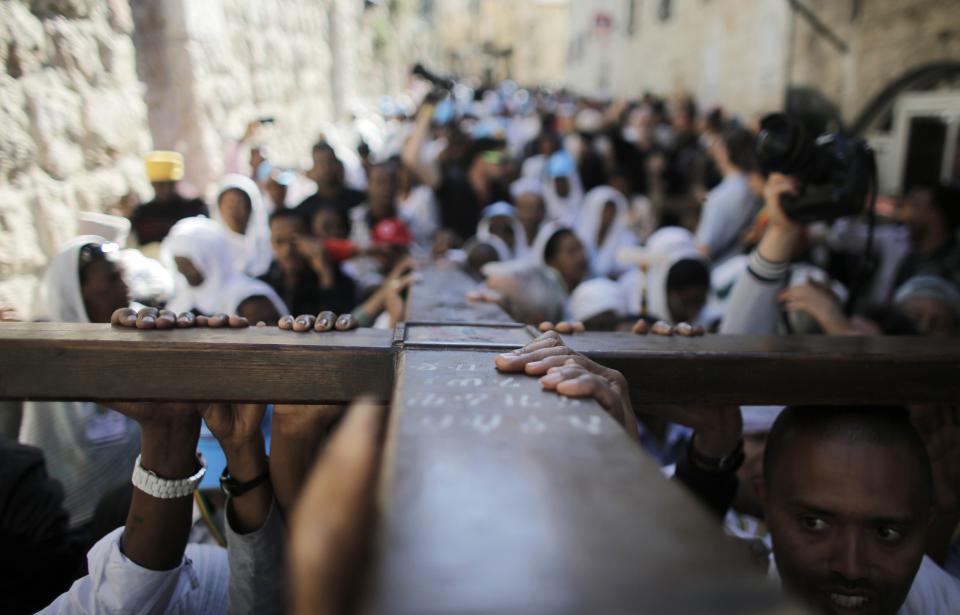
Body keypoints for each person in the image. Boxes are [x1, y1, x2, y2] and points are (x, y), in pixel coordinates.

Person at [19, 237, 140, 528]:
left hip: (139, 506)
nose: (125, 287)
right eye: (112, 279)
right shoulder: (45, 352)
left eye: (123, 275)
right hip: (69, 520)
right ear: (76, 292)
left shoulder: (140, 333)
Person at [259, 209, 357, 316]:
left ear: (310, 238)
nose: (287, 250)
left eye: (294, 241)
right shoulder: (262, 286)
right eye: (279, 241)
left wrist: (325, 275)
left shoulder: (339, 281)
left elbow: (337, 321)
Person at [618, 227, 711, 326]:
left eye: (698, 302)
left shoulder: (710, 322)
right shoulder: (629, 296)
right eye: (685, 303)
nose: (692, 312)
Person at [695, 128, 760, 263]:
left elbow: (704, 248)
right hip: (748, 264)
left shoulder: (719, 195)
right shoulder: (756, 187)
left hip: (722, 271)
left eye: (717, 146)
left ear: (725, 152)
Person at [130, 151, 209, 245]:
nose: (164, 189)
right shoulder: (142, 213)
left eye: (168, 184)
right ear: (152, 185)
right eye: (159, 185)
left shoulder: (194, 208)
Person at [894, 185, 960, 290]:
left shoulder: (952, 265)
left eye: (916, 206)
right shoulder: (910, 260)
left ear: (936, 215)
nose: (908, 214)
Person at [211, 174, 273, 277]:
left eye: (239, 202)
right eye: (229, 203)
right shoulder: (211, 244)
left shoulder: (268, 242)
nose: (234, 210)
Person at [576, 186, 638, 279]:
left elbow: (629, 271)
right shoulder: (579, 235)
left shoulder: (627, 239)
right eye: (605, 210)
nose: (608, 214)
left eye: (612, 210)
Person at [294, 142, 366, 221]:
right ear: (312, 170)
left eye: (330, 162)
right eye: (321, 163)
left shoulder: (360, 200)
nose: (327, 168)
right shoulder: (304, 210)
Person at [532, 222, 589, 295]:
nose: (581, 257)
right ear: (551, 261)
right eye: (572, 251)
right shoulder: (542, 302)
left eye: (581, 248)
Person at [542, 150, 584, 224]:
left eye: (563, 181)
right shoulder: (544, 209)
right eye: (558, 181)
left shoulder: (584, 206)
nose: (561, 185)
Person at [510, 176, 546, 246]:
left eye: (533, 208)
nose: (529, 215)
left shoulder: (548, 237)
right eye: (524, 208)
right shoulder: (509, 238)